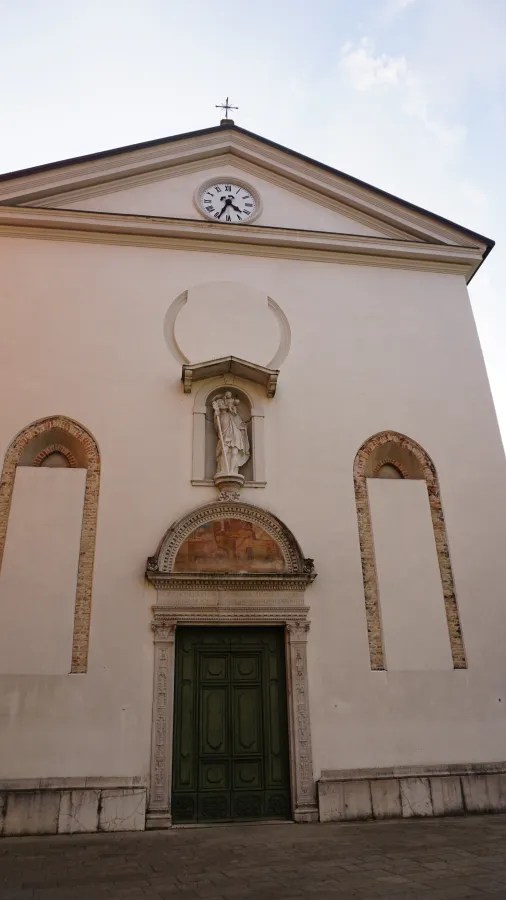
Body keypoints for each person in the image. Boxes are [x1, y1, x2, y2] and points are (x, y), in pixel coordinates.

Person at [212, 392, 250, 476]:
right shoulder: (223, 416)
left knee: (234, 452)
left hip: (235, 434)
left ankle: (232, 471)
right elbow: (218, 427)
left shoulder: (235, 416)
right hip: (227, 434)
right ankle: (223, 470)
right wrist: (216, 412)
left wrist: (243, 427)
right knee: (224, 450)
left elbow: (240, 423)